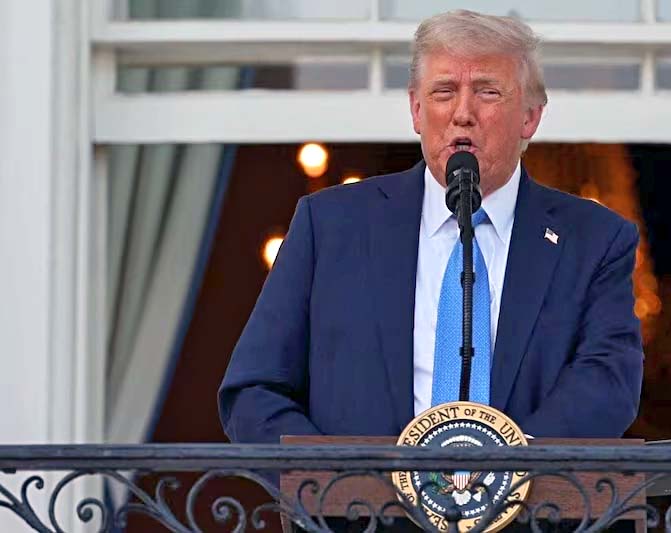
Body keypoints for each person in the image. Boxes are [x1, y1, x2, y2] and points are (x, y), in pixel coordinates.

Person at [218, 9, 644, 448]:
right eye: (444, 91)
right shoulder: (329, 225)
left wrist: (515, 468)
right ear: (417, 110)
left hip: (527, 492)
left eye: (488, 92)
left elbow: (609, 381)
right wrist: (333, 476)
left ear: (530, 117)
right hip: (357, 494)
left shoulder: (594, 240)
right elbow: (254, 391)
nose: (463, 113)